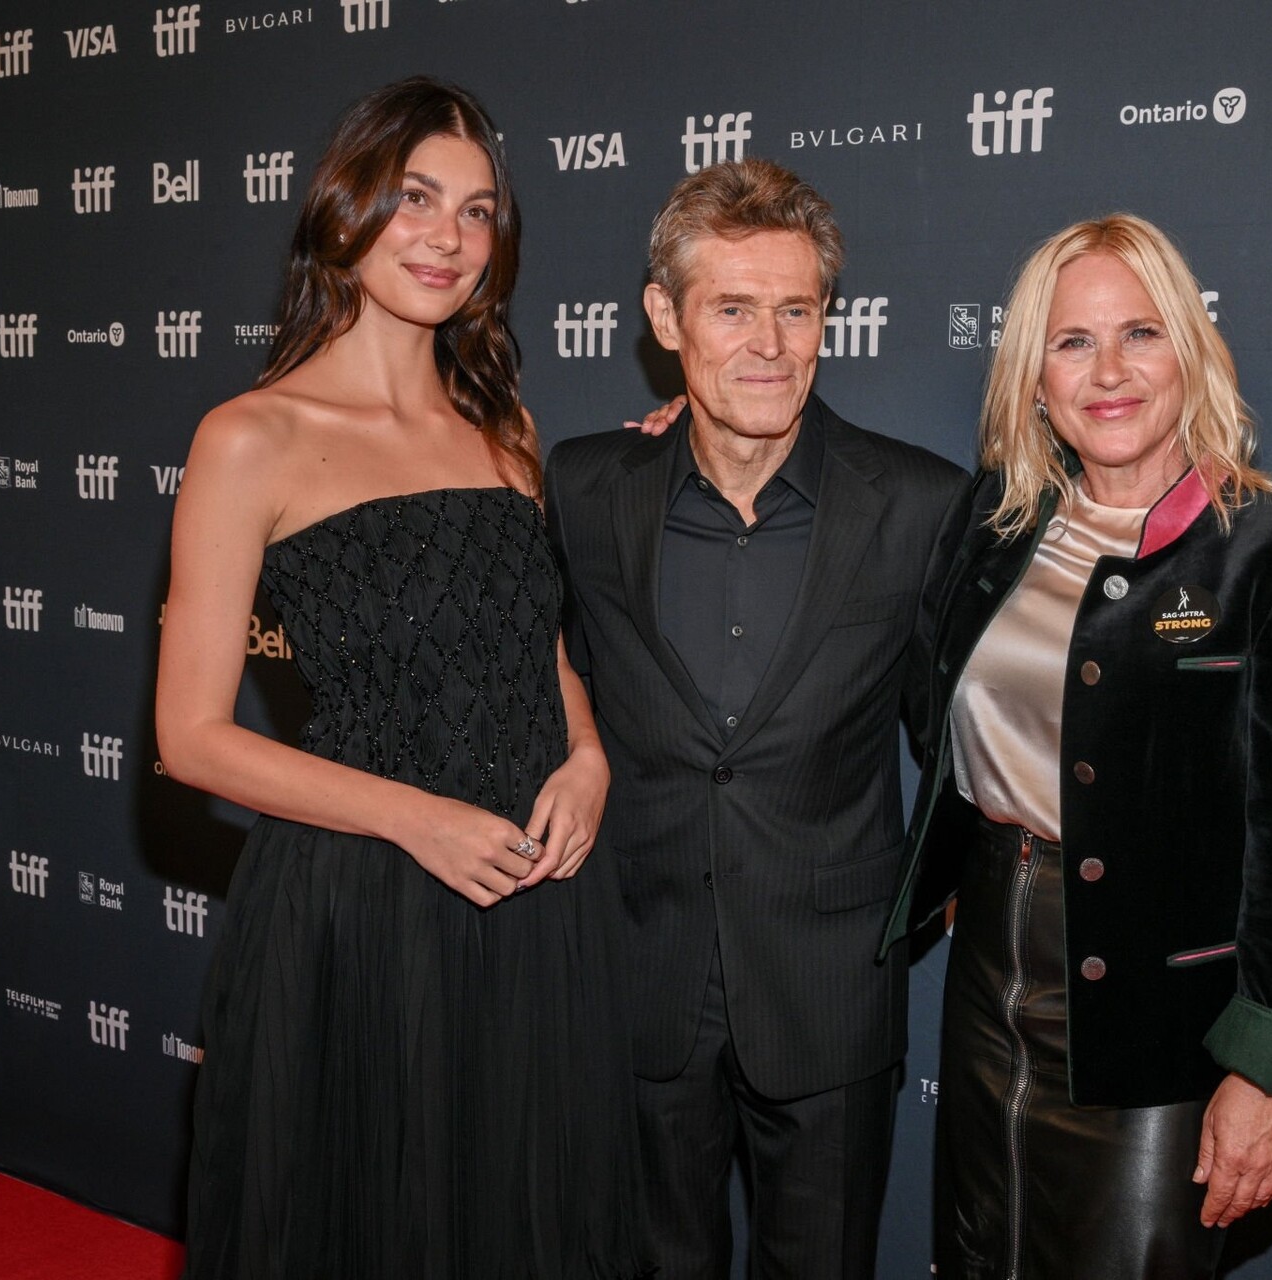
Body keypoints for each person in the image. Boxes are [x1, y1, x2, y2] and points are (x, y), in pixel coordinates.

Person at [155, 78, 648, 1279]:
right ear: (347, 209)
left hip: (533, 892)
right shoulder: (250, 435)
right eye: (417, 197)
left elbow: (540, 646)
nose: (448, 236)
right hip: (363, 901)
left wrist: (588, 755)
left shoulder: (502, 427)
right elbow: (192, 737)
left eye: (478, 211)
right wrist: (416, 818)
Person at [881, 212, 1272, 1279]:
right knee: (979, 1257)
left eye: (1140, 333)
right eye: (1073, 341)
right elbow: (936, 706)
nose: (1108, 371)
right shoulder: (994, 520)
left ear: (1189, 350)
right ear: (1034, 378)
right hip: (989, 973)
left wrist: (1269, 1069)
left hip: (1166, 1017)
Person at [543, 158, 966, 1280]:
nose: (770, 345)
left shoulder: (920, 504)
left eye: (797, 310)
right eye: (731, 309)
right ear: (665, 318)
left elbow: (958, 747)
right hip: (637, 975)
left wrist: (915, 908)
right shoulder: (583, 487)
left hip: (830, 990)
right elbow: (548, 682)